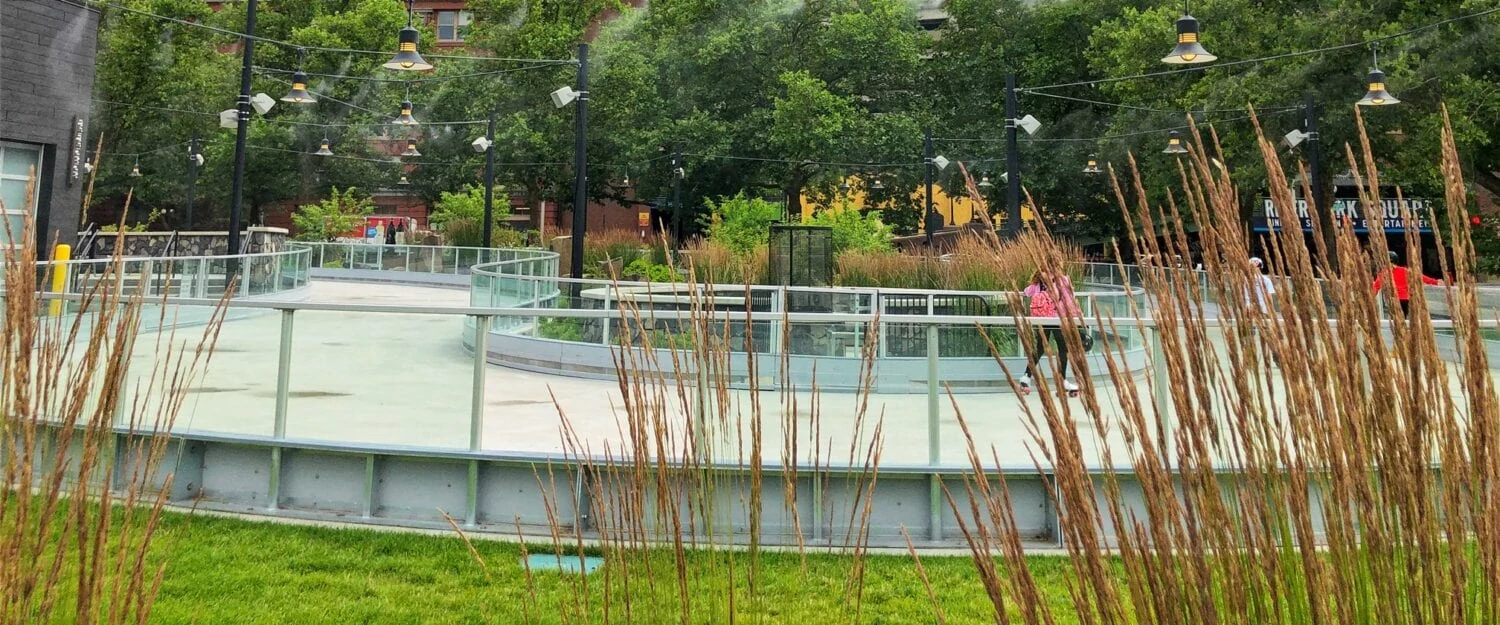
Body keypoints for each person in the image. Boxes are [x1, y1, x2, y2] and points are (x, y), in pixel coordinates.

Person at [1019, 269, 1081, 395]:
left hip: (1042, 320)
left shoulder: (1037, 284)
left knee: (1040, 347)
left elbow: (1026, 292)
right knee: (1063, 348)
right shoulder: (1062, 280)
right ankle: (1062, 381)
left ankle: (1026, 376)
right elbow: (1069, 299)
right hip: (1057, 319)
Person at [1373, 251, 1441, 317]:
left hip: (1393, 300)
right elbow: (1420, 277)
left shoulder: (1384, 273)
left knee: (1395, 321)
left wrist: (1370, 299)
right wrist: (1435, 282)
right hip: (1405, 300)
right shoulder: (1404, 271)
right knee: (1403, 320)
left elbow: (1375, 287)